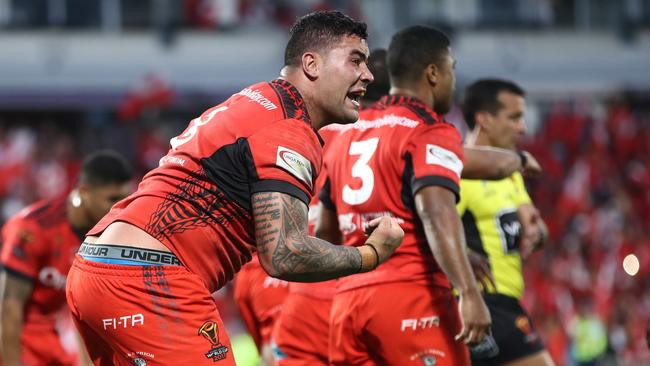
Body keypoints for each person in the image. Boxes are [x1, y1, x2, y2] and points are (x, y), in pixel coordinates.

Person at [65, 10, 404, 366]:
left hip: (93, 267)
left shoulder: (255, 99)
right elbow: (284, 253)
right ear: (312, 64)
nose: (367, 74)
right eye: (356, 60)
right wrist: (371, 255)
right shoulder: (289, 127)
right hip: (146, 277)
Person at [271, 47, 543, 366]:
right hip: (408, 296)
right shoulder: (417, 130)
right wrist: (520, 159)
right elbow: (440, 205)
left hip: (337, 299)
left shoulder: (335, 135)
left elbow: (328, 231)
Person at [316, 25, 490, 366]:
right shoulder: (429, 130)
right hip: (412, 300)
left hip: (348, 307)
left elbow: (325, 233)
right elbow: (436, 213)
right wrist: (469, 292)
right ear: (433, 73)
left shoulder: (346, 136)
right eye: (452, 68)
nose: (454, 79)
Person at [0, 150, 133, 366]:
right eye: (112, 199)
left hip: (61, 347)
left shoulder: (111, 236)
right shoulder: (33, 229)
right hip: (20, 346)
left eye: (125, 199)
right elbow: (9, 308)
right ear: (84, 192)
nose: (120, 208)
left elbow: (89, 315)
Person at [458, 78, 553, 366]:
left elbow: (537, 226)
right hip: (482, 301)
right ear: (484, 119)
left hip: (506, 302)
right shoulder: (458, 172)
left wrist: (537, 231)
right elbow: (431, 228)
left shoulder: (509, 173)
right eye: (514, 117)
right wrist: (464, 257)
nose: (522, 127)